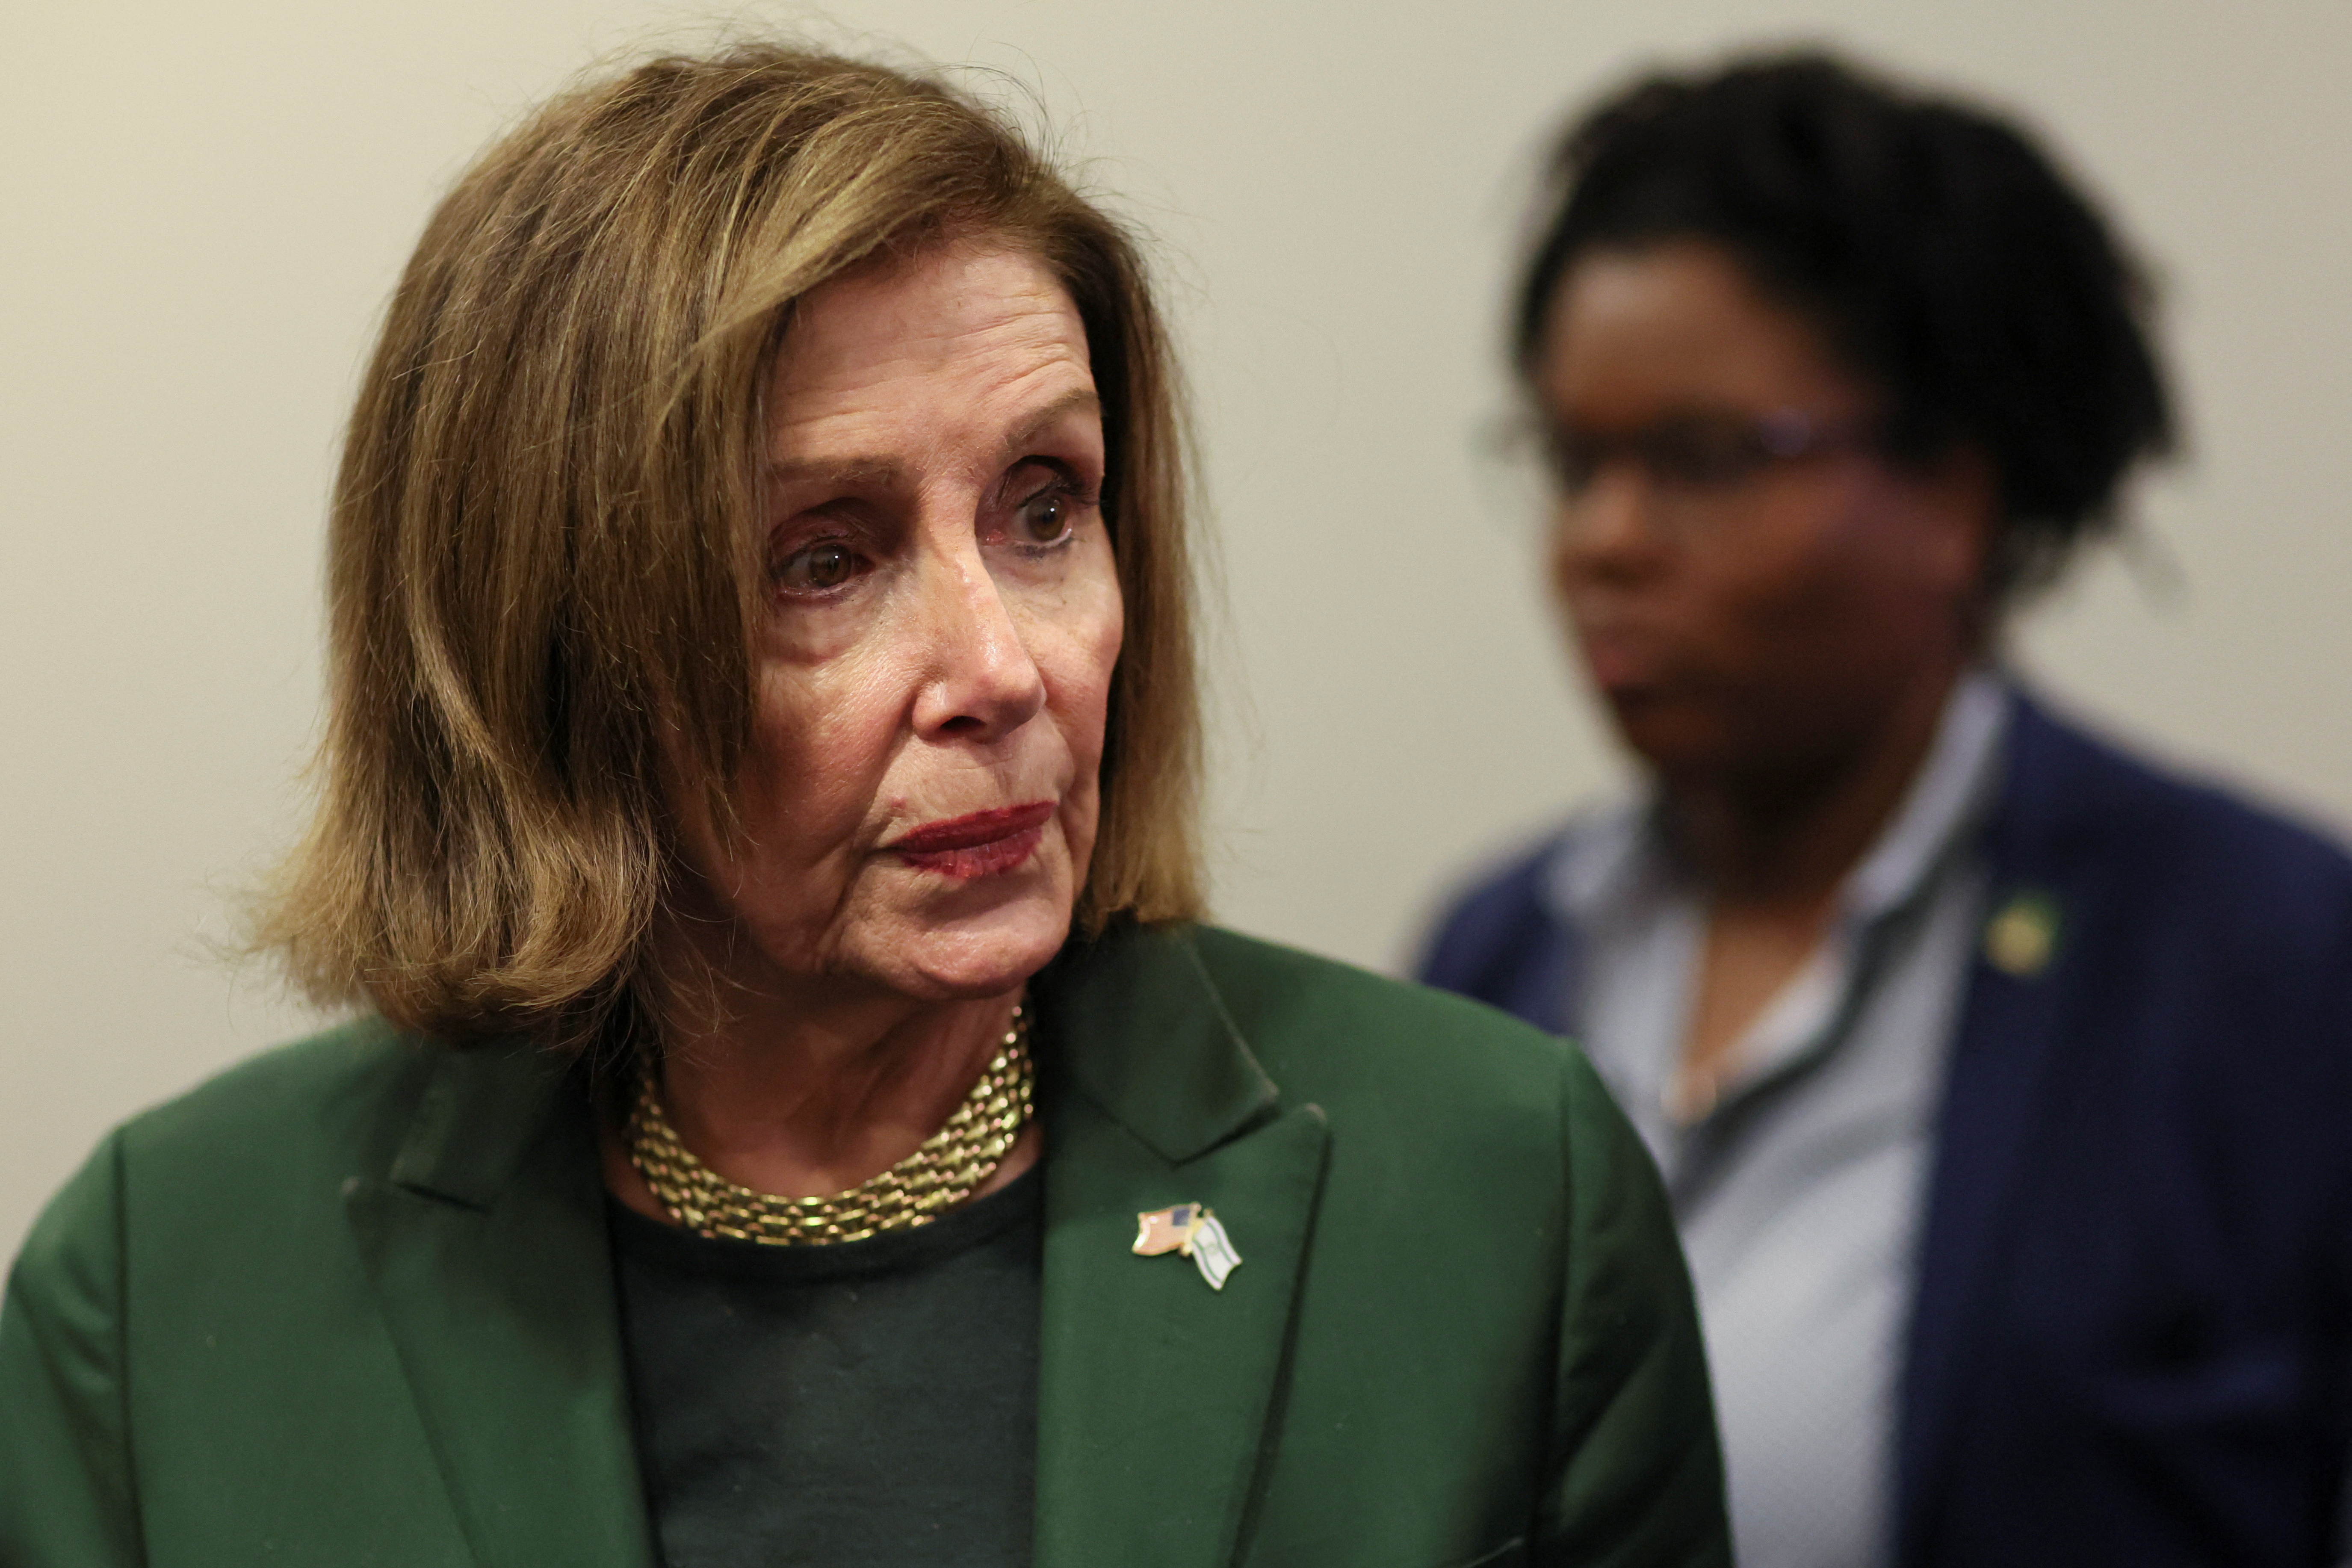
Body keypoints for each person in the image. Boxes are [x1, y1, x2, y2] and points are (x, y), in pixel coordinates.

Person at [0, 43, 1728, 1568]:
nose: (1005, 665)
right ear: (552, 649)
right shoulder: (163, 1285)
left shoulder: (1500, 1195)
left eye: (1045, 507)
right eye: (825, 556)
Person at [1417, 51, 2352, 1568]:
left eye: (1703, 460)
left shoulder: (2261, 955)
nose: (1600, 540)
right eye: (1573, 461)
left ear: (1955, 494)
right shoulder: (1503, 946)